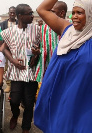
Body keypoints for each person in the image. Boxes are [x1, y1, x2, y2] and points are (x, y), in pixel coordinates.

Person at [34, 0, 92, 133]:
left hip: (82, 99)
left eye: (80, 13)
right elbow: (42, 9)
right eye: (73, 12)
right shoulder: (66, 29)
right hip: (58, 94)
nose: (74, 16)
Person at [0, 4, 40, 133]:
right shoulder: (9, 32)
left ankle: (26, 127)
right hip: (16, 71)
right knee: (14, 100)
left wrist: (37, 53)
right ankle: (15, 115)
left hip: (31, 72)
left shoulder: (37, 30)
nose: (32, 15)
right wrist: (12, 60)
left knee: (29, 102)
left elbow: (42, 47)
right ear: (20, 16)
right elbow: (3, 48)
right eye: (29, 13)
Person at [34, 1, 67, 96]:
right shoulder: (41, 29)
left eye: (51, 11)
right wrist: (36, 51)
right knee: (42, 97)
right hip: (46, 72)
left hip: (63, 72)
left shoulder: (71, 29)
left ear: (62, 13)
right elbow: (37, 45)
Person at [0, 6, 18, 93]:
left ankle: (15, 84)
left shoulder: (19, 23)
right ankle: (8, 84)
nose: (12, 14)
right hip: (6, 49)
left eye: (14, 13)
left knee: (15, 67)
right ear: (8, 13)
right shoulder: (3, 24)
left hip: (17, 49)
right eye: (11, 12)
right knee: (6, 67)